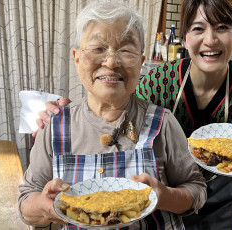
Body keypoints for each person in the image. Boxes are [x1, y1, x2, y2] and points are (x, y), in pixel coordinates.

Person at [37, 0, 232, 229]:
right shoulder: (159, 81)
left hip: (220, 191)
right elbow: (121, 113)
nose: (210, 40)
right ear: (186, 36)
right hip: (166, 193)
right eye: (198, 28)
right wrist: (68, 115)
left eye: (223, 28)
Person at [18, 1, 207, 229]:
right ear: (77, 58)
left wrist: (164, 196)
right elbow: (27, 201)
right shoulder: (55, 126)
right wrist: (44, 206)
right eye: (98, 49)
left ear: (141, 62)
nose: (110, 62)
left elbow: (196, 190)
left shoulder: (163, 123)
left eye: (126, 51)